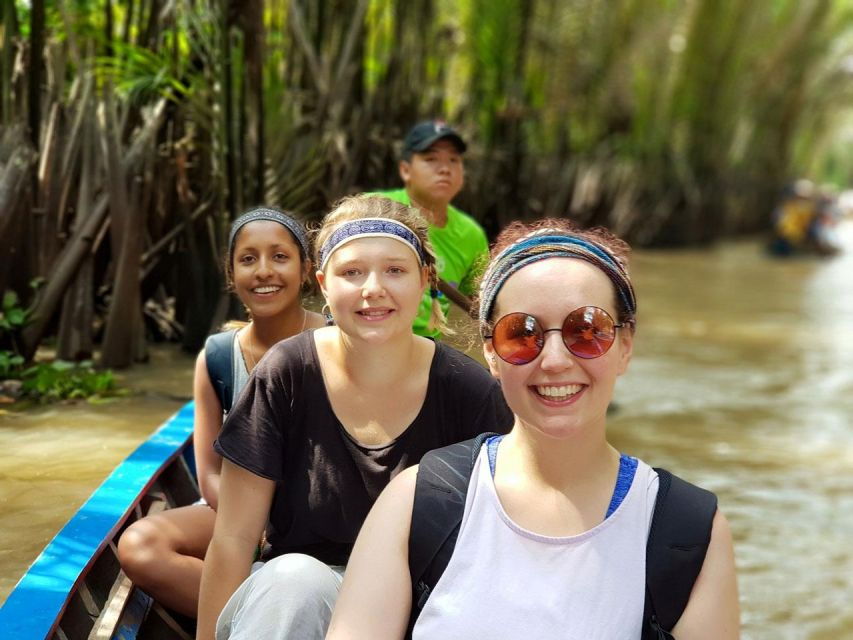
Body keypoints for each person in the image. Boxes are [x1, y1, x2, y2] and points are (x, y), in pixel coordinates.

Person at [328, 219, 740, 639]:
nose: (556, 359)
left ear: (625, 345)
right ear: (490, 351)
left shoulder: (688, 531)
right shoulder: (417, 503)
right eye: (522, 334)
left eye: (587, 330)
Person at [197, 195, 513, 640]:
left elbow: (499, 549)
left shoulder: (469, 389)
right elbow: (233, 538)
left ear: (425, 280)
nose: (373, 288)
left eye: (395, 270)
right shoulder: (287, 372)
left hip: (421, 608)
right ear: (324, 284)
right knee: (292, 580)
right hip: (302, 603)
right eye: (352, 273)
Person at [117, 207, 324, 617]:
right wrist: (250, 525)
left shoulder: (338, 340)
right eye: (248, 259)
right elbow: (210, 471)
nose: (264, 271)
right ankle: (262, 611)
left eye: (280, 257)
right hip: (237, 511)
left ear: (306, 270)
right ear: (231, 275)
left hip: (323, 513)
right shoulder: (217, 355)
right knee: (139, 546)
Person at [375, 119, 489, 337]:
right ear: (405, 170)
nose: (445, 169)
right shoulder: (376, 209)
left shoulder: (471, 234)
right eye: (431, 159)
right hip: (371, 335)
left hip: (429, 348)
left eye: (454, 160)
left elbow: (480, 305)